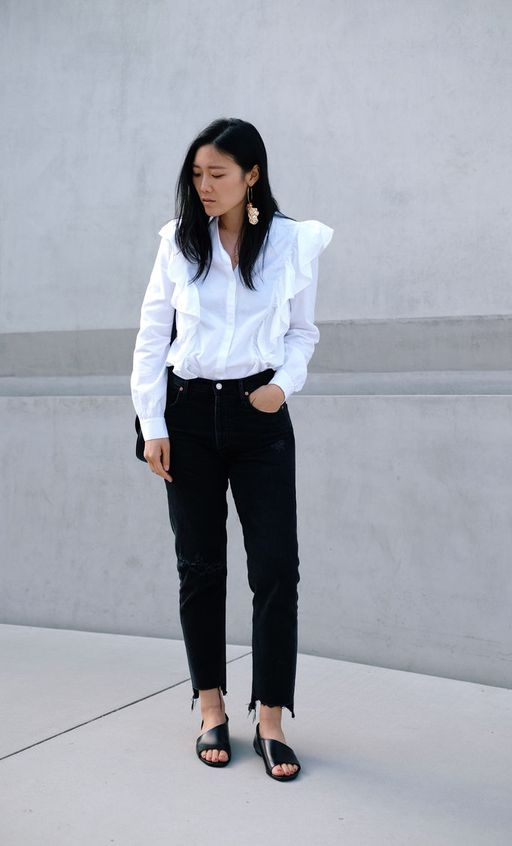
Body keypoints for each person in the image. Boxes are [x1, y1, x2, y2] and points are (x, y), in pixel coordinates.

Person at [130, 117, 333, 781]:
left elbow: (303, 334)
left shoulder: (293, 245)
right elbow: (151, 334)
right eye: (196, 175)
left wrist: (281, 387)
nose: (205, 187)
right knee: (200, 567)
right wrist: (151, 423)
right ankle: (211, 708)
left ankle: (270, 719)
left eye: (217, 174)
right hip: (186, 415)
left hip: (257, 418)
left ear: (252, 174)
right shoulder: (177, 243)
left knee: (275, 569)